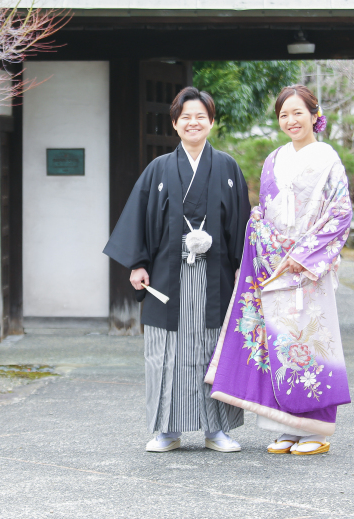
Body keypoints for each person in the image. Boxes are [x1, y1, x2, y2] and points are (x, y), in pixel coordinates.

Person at [205, 85, 352, 456]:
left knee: (310, 343)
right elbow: (264, 212)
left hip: (305, 268)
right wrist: (267, 245)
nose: (291, 121)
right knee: (276, 344)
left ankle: (316, 430)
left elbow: (340, 213)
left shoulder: (328, 160)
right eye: (284, 115)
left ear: (314, 115)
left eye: (298, 113)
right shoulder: (273, 159)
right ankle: (285, 426)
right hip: (273, 264)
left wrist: (302, 255)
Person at [104, 87, 250, 452]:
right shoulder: (159, 169)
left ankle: (217, 430)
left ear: (212, 122)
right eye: (186, 117)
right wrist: (137, 263)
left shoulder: (228, 167)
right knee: (165, 351)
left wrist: (242, 269)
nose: (193, 122)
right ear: (175, 123)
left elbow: (242, 224)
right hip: (167, 276)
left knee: (212, 347)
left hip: (215, 276)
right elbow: (137, 219)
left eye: (201, 116)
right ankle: (166, 430)